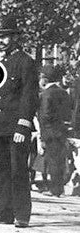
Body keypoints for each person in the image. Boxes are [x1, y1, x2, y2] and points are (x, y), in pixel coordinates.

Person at [0, 17, 39, 227]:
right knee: (1, 171)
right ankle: (3, 212)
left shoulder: (26, 62)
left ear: (15, 38)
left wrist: (23, 125)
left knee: (18, 171)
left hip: (16, 127)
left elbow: (29, 96)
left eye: (5, 36)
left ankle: (22, 215)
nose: (1, 41)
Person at [36, 64, 73, 197]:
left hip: (49, 131)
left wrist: (42, 136)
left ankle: (54, 189)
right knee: (60, 160)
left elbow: (44, 115)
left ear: (45, 79)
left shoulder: (46, 94)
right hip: (62, 131)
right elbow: (68, 113)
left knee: (51, 161)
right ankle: (60, 188)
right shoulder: (64, 93)